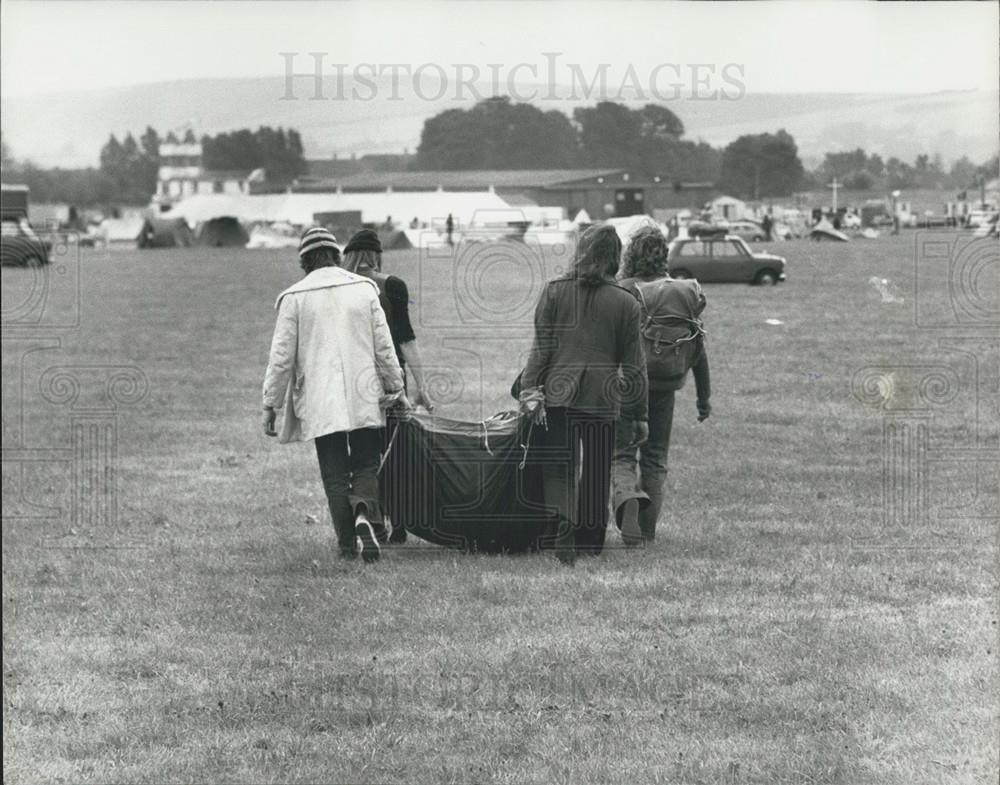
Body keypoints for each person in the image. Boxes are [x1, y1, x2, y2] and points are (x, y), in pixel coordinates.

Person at [262, 227, 410, 562]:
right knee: (367, 463)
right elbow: (384, 347)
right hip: (364, 391)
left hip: (320, 397)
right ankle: (363, 515)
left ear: (304, 259)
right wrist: (396, 387)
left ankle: (347, 545)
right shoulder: (364, 289)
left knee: (334, 473)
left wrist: (270, 404)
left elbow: (281, 358)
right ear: (336, 254)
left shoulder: (293, 298)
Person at [519, 224, 648, 565]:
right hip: (602, 396)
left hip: (558, 393)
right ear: (615, 257)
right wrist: (640, 415)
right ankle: (590, 540)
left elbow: (540, 350)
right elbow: (635, 366)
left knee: (559, 466)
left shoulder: (554, 291)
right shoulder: (626, 301)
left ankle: (562, 521)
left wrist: (529, 391)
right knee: (595, 468)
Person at [612, 226, 711, 545]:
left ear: (631, 254)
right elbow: (698, 346)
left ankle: (627, 508)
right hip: (667, 385)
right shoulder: (682, 292)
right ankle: (647, 531)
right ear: (664, 255)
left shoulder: (623, 289)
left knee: (623, 456)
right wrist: (703, 397)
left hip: (627, 385)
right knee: (655, 459)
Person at [341, 228, 434, 544]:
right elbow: (406, 340)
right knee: (395, 452)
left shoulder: (340, 287)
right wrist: (422, 385)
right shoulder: (393, 285)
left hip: (353, 383)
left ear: (349, 256)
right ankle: (400, 523)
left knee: (363, 453)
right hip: (392, 379)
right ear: (377, 256)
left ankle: (370, 518)